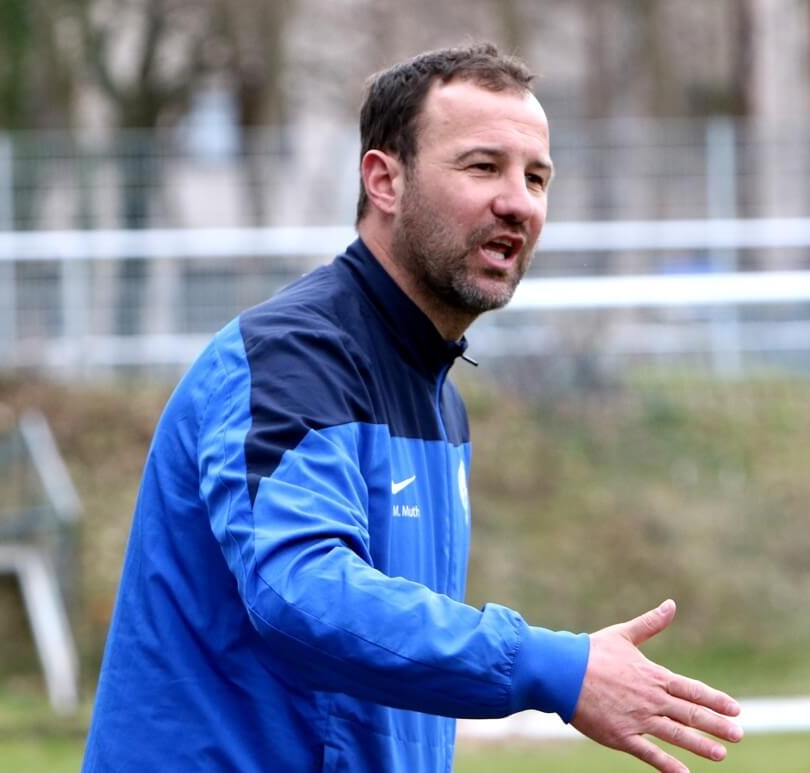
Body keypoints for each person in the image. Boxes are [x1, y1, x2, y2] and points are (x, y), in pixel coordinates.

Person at [82, 43, 743, 773]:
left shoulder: (440, 398)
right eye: (483, 166)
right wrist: (554, 665)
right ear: (383, 179)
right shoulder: (294, 357)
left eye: (537, 177)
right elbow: (301, 592)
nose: (518, 201)